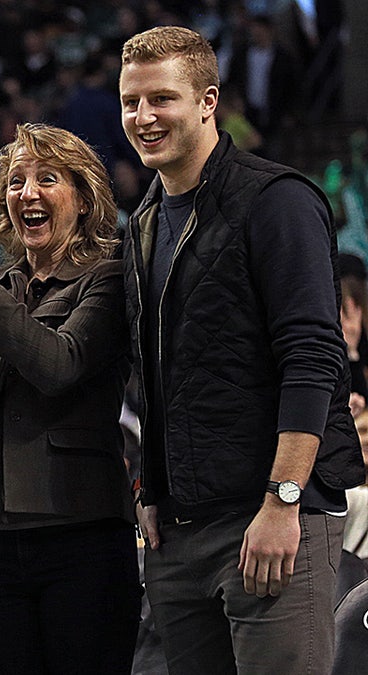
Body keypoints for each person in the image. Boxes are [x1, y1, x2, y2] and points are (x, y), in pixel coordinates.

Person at [119, 26, 364, 673]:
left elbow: (313, 356)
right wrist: (151, 484)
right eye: (131, 101)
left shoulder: (277, 200)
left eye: (162, 99)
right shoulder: (144, 220)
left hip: (271, 520)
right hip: (179, 532)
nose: (143, 117)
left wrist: (283, 500)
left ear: (208, 101)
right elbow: (157, 367)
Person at [0, 122, 141, 673]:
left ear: (85, 198)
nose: (28, 193)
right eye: (17, 182)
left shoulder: (109, 277)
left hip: (79, 526)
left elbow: (58, 364)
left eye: (47, 179)